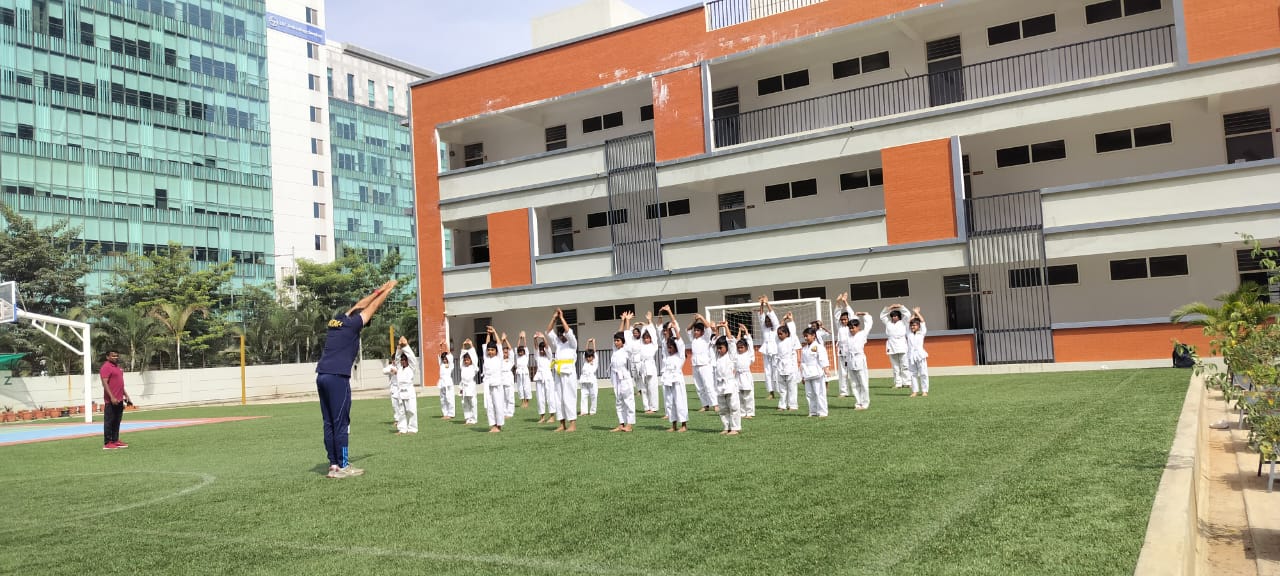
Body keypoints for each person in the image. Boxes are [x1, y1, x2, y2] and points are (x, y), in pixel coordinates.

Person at [316, 279, 396, 479]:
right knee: (341, 422)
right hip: (337, 378)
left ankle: (333, 464)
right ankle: (343, 466)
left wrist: (379, 289)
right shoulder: (353, 325)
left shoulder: (338, 320)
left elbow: (360, 305)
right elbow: (371, 308)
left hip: (322, 375)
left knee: (329, 423)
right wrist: (388, 291)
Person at [546, 308, 578, 432]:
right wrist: (554, 318)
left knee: (569, 397)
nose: (562, 336)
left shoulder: (572, 343)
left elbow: (569, 331)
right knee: (558, 398)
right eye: (560, 335)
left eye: (564, 334)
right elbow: (548, 331)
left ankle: (572, 424)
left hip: (569, 373)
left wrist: (562, 317)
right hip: (558, 372)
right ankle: (562, 424)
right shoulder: (558, 344)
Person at [658, 306, 689, 432]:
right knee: (669, 402)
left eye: (672, 347)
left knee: (680, 401)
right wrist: (660, 313)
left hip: (677, 380)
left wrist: (674, 328)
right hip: (667, 379)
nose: (670, 349)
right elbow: (665, 341)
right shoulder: (666, 354)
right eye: (668, 347)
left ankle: (684, 425)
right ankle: (673, 425)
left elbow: (679, 340)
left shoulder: (680, 355)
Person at [99, 350, 131, 450]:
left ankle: (115, 440)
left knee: (117, 421)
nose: (115, 357)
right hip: (111, 400)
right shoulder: (106, 367)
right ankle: (107, 443)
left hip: (120, 399)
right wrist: (112, 397)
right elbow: (104, 383)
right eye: (113, 356)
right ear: (107, 357)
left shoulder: (118, 367)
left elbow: (120, 384)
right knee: (109, 421)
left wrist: (126, 395)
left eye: (117, 356)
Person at [713, 323, 741, 435]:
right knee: (723, 408)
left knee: (733, 406)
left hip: (730, 384)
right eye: (718, 348)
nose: (719, 350)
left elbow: (730, 341)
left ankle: (735, 428)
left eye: (721, 348)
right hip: (720, 385)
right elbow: (715, 340)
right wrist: (718, 330)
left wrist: (726, 327)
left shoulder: (731, 355)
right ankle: (726, 426)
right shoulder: (717, 356)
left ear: (727, 348)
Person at [800, 326, 832, 417]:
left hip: (817, 372)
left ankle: (822, 412)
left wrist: (826, 369)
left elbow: (823, 359)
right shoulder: (804, 349)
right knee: (809, 394)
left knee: (819, 393)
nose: (805, 338)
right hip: (807, 373)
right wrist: (802, 376)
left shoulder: (819, 347)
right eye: (804, 336)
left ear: (813, 335)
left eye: (807, 336)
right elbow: (802, 362)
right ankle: (813, 411)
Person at [688, 313, 716, 412]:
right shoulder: (693, 339)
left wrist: (701, 318)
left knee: (708, 385)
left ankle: (715, 404)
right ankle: (705, 405)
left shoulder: (705, 338)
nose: (695, 332)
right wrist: (695, 321)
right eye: (695, 330)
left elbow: (708, 328)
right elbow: (688, 329)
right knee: (699, 387)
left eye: (698, 330)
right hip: (695, 365)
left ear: (702, 332)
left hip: (705, 365)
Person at [880, 304, 913, 390]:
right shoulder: (888, 323)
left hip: (902, 344)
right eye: (893, 316)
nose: (894, 317)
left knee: (905, 365)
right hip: (891, 345)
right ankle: (898, 383)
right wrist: (888, 308)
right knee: (895, 366)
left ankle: (908, 382)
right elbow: (882, 316)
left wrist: (900, 306)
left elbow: (908, 314)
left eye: (896, 316)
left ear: (899, 316)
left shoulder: (903, 322)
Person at [609, 328, 635, 432]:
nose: (616, 342)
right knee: (618, 401)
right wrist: (622, 320)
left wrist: (627, 321)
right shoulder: (615, 350)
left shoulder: (626, 350)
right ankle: (621, 424)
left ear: (623, 342)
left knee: (628, 400)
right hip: (616, 378)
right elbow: (618, 332)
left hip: (624, 378)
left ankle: (629, 425)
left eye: (618, 340)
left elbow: (627, 334)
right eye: (615, 340)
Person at [773, 312, 801, 411]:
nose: (779, 335)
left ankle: (793, 405)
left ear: (787, 334)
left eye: (781, 334)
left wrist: (791, 319)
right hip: (780, 365)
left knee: (792, 387)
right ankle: (782, 405)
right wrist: (783, 320)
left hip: (790, 365)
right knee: (782, 388)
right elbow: (778, 329)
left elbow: (792, 330)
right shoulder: (777, 341)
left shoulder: (791, 339)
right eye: (778, 334)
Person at [481, 326, 506, 433]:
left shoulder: (499, 358)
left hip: (497, 385)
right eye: (489, 350)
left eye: (492, 350)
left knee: (498, 405)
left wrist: (495, 332)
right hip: (488, 385)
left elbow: (499, 345)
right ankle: (493, 425)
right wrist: (488, 334)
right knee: (489, 406)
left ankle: (499, 425)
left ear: (496, 351)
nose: (490, 351)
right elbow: (485, 346)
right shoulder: (486, 358)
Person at [387, 356, 418, 434]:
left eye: (404, 360)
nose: (403, 361)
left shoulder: (411, 368)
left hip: (409, 392)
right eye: (402, 360)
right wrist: (398, 349)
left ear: (408, 361)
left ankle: (412, 429)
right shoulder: (399, 369)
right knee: (401, 412)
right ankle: (402, 429)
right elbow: (396, 359)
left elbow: (412, 358)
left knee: (411, 411)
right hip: (401, 392)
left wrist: (405, 347)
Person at [758, 297, 780, 400]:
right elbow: (761, 316)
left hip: (775, 352)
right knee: (767, 372)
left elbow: (773, 316)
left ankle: (780, 390)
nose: (767, 322)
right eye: (766, 321)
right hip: (766, 351)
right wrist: (762, 304)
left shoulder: (776, 328)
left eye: (768, 320)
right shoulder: (764, 329)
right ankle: (771, 393)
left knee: (776, 372)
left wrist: (767, 304)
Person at [732, 324, 756, 419]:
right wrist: (739, 332)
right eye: (738, 347)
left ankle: (749, 412)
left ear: (746, 348)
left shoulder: (749, 354)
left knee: (748, 395)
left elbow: (750, 342)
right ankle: (742, 412)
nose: (740, 349)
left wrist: (745, 330)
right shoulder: (735, 355)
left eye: (742, 347)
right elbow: (734, 344)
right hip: (737, 376)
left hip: (746, 376)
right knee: (739, 396)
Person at [532, 334, 556, 424]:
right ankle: (542, 417)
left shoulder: (549, 357)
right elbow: (535, 348)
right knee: (540, 397)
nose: (542, 351)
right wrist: (535, 339)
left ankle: (552, 416)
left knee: (550, 397)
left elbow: (547, 347)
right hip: (539, 377)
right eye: (541, 350)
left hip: (548, 377)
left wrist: (543, 337)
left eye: (543, 349)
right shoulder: (537, 356)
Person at [907, 307, 930, 398]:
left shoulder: (922, 332)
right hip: (911, 355)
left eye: (915, 325)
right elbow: (908, 322)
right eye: (912, 325)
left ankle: (924, 391)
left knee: (923, 373)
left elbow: (923, 321)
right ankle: (915, 391)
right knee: (913, 374)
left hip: (920, 355)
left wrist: (917, 313)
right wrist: (914, 315)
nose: (913, 327)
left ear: (918, 326)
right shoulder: (908, 333)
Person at [458, 341, 479, 424]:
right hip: (463, 386)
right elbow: (461, 357)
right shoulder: (462, 366)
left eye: (468, 360)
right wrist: (463, 345)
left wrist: (471, 345)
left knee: (473, 402)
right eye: (465, 360)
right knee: (464, 402)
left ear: (471, 360)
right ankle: (467, 418)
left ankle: (474, 419)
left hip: (470, 386)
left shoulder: (474, 367)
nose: (466, 361)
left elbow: (474, 357)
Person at [579, 339, 599, 416]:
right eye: (587, 357)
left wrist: (593, 343)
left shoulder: (595, 361)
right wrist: (587, 342)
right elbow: (585, 352)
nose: (588, 358)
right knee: (583, 396)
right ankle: (583, 411)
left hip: (592, 381)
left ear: (593, 357)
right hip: (584, 381)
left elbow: (595, 352)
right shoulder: (585, 362)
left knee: (593, 396)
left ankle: (592, 411)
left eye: (590, 357)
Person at [437, 342, 456, 420]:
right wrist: (440, 346)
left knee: (449, 398)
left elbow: (449, 354)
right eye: (443, 359)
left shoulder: (450, 365)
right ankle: (445, 413)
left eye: (445, 359)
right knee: (443, 399)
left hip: (448, 383)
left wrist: (446, 345)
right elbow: (439, 354)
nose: (444, 360)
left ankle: (451, 414)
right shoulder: (441, 364)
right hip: (442, 383)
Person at [515, 334, 532, 409]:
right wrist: (519, 338)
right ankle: (522, 401)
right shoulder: (517, 356)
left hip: (525, 371)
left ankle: (527, 402)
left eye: (522, 352)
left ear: (524, 352)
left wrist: (524, 337)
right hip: (519, 372)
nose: (520, 353)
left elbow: (525, 346)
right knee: (520, 387)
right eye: (519, 352)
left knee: (526, 387)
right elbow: (517, 346)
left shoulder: (526, 355)